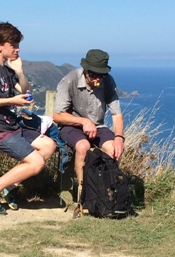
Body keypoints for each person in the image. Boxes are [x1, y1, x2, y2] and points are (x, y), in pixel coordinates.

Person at [0, 22, 57, 215]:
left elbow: (26, 91)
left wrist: (19, 72)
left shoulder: (7, 70)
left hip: (12, 126)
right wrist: (12, 100)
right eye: (13, 45)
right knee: (37, 163)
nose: (17, 49)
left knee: (49, 146)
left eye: (18, 44)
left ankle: (8, 187)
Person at [52, 49, 125, 190]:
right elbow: (57, 116)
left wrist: (119, 137)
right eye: (93, 74)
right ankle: (84, 190)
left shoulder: (108, 82)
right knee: (83, 147)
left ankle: (107, 190)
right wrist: (84, 121)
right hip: (71, 126)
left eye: (101, 75)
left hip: (98, 126)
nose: (97, 79)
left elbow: (116, 114)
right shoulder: (69, 81)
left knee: (113, 149)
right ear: (85, 70)